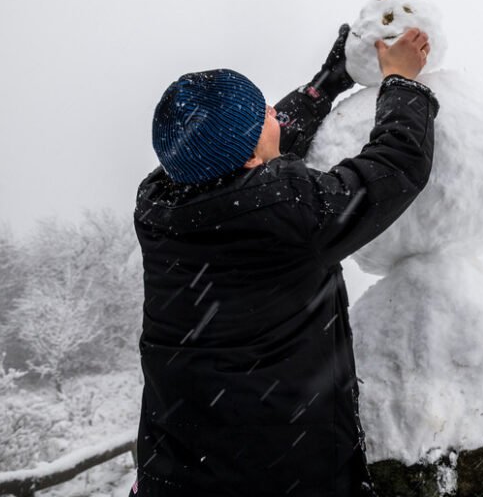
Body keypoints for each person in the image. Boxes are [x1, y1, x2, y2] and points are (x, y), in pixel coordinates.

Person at [131, 25, 437, 497]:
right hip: (281, 476)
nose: (275, 112)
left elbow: (246, 156)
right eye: (264, 115)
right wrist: (402, 82)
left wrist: (325, 84)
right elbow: (394, 167)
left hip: (176, 473)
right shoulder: (288, 213)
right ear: (254, 153)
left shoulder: (163, 206)